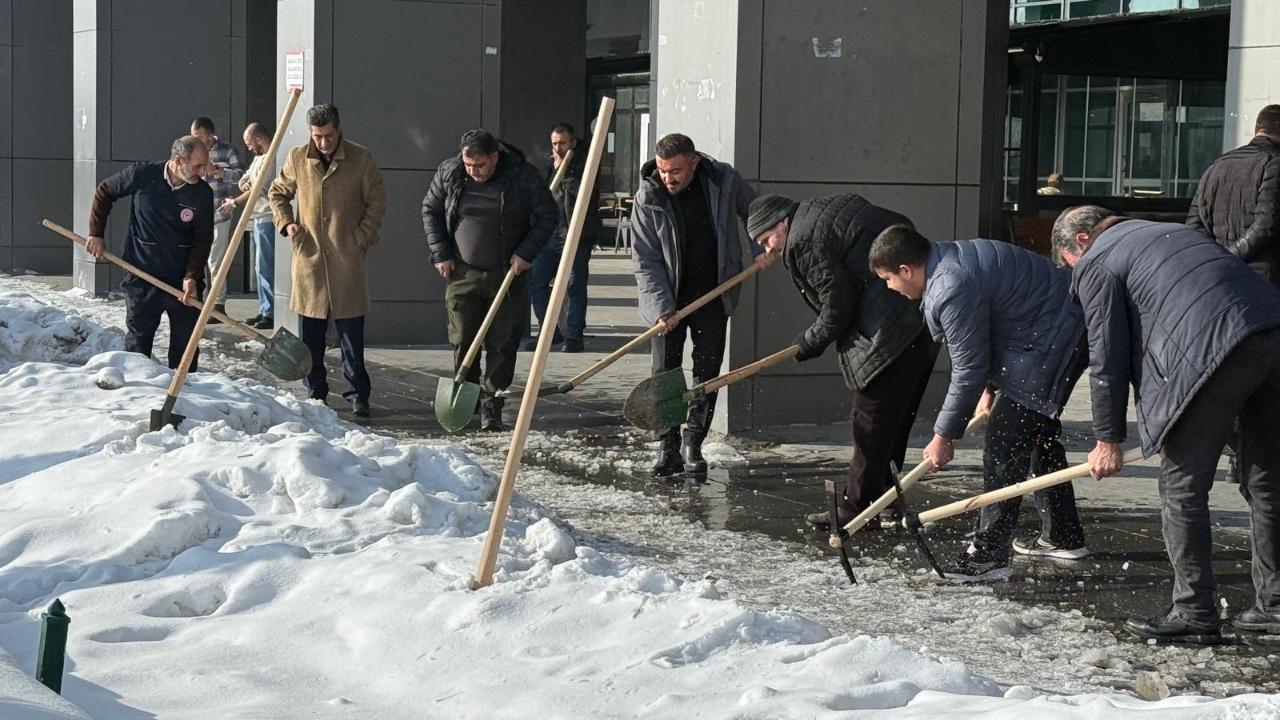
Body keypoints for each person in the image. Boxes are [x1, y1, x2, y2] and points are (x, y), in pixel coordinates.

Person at [1053, 205, 1280, 643]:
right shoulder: (1167, 233)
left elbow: (1107, 358)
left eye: (1069, 268)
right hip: (1272, 330)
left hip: (1213, 349)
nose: (1074, 277)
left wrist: (1107, 439)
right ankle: (1275, 606)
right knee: (1267, 479)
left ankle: (1194, 612)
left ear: (1081, 241)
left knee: (1182, 488)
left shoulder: (1098, 260)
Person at [869, 225, 1090, 581]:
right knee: (1034, 431)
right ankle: (1062, 534)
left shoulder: (949, 286)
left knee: (1006, 440)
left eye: (888, 278)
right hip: (1052, 325)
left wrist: (944, 436)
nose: (889, 287)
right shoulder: (949, 260)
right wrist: (990, 387)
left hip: (1054, 335)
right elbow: (987, 329)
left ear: (906, 270)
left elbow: (968, 367)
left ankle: (988, 555)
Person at [746, 193, 936, 529]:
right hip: (916, 324)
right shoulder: (824, 209)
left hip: (885, 338)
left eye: (766, 239)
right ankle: (886, 501)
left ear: (781, 223)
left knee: (870, 424)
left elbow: (836, 309)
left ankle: (856, 508)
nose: (768, 249)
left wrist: (808, 342)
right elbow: (900, 225)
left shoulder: (802, 240)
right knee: (894, 426)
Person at [632, 133, 770, 477]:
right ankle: (667, 448)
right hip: (670, 300)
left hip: (714, 291)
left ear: (694, 162)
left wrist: (763, 247)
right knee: (665, 374)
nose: (668, 178)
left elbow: (755, 210)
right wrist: (661, 308)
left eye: (675, 170)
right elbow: (645, 259)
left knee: (706, 372)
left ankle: (693, 443)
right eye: (663, 171)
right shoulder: (648, 197)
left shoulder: (723, 180)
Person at [422, 129, 557, 431]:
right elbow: (430, 209)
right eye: (469, 165)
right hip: (462, 271)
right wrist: (441, 252)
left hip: (508, 272)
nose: (474, 172)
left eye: (480, 165)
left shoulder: (522, 176)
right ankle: (466, 397)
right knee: (462, 337)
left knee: (503, 341)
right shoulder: (451, 172)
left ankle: (491, 404)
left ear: (495, 157)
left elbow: (548, 215)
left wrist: (525, 253)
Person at [268, 104, 386, 418]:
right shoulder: (297, 158)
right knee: (311, 338)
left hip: (347, 260)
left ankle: (358, 394)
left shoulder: (361, 159)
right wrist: (287, 223)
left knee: (351, 338)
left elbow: (376, 201)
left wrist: (362, 238)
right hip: (310, 260)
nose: (323, 143)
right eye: (318, 137)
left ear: (338, 129)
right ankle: (315, 393)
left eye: (329, 136)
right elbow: (277, 192)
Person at [85, 135, 213, 370]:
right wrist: (96, 233)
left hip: (182, 283)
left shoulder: (202, 194)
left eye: (205, 165)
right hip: (141, 275)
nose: (203, 172)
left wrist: (192, 276)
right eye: (197, 166)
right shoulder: (143, 175)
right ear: (177, 160)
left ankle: (185, 400)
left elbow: (202, 240)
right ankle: (137, 397)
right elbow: (105, 191)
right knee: (137, 349)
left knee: (185, 352)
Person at [523, 123, 602, 353]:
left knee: (574, 285)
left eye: (562, 143)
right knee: (536, 283)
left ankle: (574, 336)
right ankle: (550, 331)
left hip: (576, 235)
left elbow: (583, 194)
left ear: (572, 143)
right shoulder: (547, 166)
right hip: (548, 235)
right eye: (555, 143)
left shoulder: (584, 166)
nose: (558, 148)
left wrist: (566, 172)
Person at [1187, 105, 1280, 285]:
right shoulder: (1274, 164)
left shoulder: (1217, 166)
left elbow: (1193, 225)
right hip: (1267, 280)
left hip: (1221, 282)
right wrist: (1231, 256)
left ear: (1256, 130)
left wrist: (1217, 260)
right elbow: (1267, 223)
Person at [222, 122, 275, 329]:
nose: (248, 147)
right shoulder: (259, 159)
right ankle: (264, 309)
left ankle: (270, 312)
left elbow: (259, 188)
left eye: (249, 142)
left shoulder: (272, 158)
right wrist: (245, 182)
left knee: (266, 266)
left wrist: (235, 202)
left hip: (267, 216)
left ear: (259, 139)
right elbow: (247, 178)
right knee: (259, 266)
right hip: (257, 218)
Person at [190, 116, 243, 320]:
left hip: (220, 211)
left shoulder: (227, 150)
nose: (196, 139)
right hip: (196, 214)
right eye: (193, 135)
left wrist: (221, 172)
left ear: (210, 134)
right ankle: (200, 302)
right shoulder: (192, 151)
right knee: (197, 257)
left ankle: (218, 304)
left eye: (199, 135)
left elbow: (242, 176)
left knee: (216, 259)